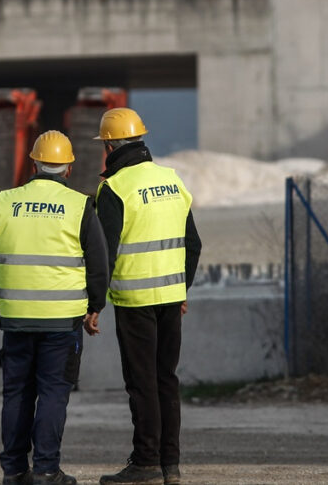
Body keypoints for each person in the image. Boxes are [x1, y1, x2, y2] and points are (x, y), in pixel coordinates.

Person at [0, 130, 109, 485]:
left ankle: (15, 471)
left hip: (17, 320)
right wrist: (95, 306)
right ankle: (47, 470)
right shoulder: (81, 205)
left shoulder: (4, 202)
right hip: (62, 321)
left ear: (33, 164)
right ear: (68, 168)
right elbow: (98, 264)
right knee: (53, 393)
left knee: (17, 394)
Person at [93, 108, 202, 485]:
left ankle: (145, 463)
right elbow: (193, 243)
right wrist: (182, 288)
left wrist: (94, 304)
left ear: (109, 144)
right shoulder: (172, 180)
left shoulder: (115, 188)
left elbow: (104, 253)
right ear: (141, 139)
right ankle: (170, 465)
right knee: (165, 380)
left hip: (135, 301)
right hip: (172, 299)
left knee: (142, 383)